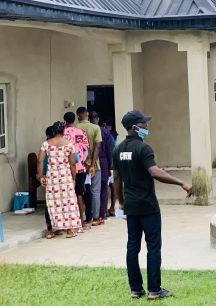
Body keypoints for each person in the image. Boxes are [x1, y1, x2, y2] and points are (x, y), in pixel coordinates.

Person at [113, 111, 192, 300]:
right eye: (144, 123)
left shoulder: (118, 150)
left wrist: (121, 201)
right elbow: (155, 172)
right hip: (148, 206)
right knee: (153, 247)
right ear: (135, 127)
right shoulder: (143, 148)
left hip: (131, 206)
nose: (147, 126)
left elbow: (116, 178)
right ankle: (154, 290)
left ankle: (136, 290)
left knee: (133, 246)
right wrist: (181, 182)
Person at [37, 121, 81, 239]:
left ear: (53, 131)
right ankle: (70, 231)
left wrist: (41, 176)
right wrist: (74, 178)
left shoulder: (46, 144)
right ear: (63, 131)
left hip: (52, 177)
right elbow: (73, 164)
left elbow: (40, 161)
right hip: (65, 176)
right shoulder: (69, 145)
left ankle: (52, 230)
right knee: (68, 202)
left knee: (53, 202)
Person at [76, 106, 103, 226]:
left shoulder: (74, 128)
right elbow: (97, 147)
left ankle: (80, 218)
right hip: (94, 165)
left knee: (80, 191)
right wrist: (92, 164)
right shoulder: (95, 128)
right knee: (95, 191)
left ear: (78, 116)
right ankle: (95, 218)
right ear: (87, 114)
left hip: (79, 165)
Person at [63, 112, 89, 231]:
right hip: (79, 167)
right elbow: (86, 150)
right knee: (79, 194)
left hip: (66, 168)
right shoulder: (81, 132)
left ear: (64, 121)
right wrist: (81, 161)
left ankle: (69, 223)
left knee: (67, 196)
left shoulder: (61, 134)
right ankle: (81, 222)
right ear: (74, 120)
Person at [91, 112, 115, 220]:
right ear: (98, 119)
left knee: (91, 189)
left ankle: (92, 213)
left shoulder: (86, 131)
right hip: (103, 161)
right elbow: (109, 150)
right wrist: (110, 166)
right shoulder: (105, 131)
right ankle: (102, 213)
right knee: (103, 188)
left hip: (90, 162)